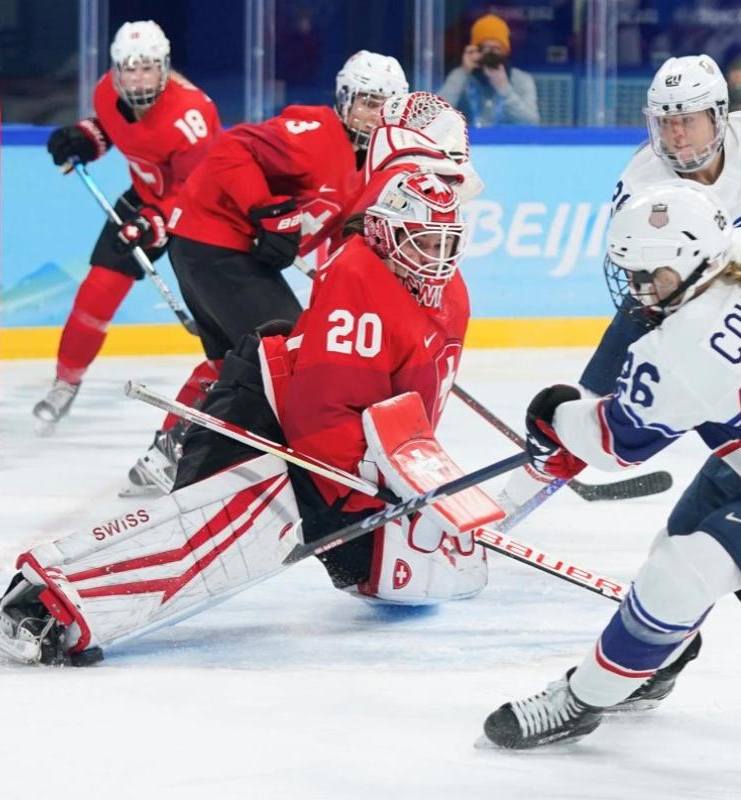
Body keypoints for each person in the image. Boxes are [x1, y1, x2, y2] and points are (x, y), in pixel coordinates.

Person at [0, 170, 503, 665]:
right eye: (423, 241)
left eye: (445, 241)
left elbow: (409, 409)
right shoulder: (360, 279)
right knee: (200, 541)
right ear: (387, 235)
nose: (437, 256)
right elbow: (319, 410)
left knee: (383, 565)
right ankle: (41, 605)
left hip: (328, 449)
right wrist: (359, 492)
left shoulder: (446, 292)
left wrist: (397, 481)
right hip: (262, 422)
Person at [482, 180, 740, 749]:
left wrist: (556, 416)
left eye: (655, 278)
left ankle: (582, 700)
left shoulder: (686, 349)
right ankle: (649, 662)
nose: (641, 290)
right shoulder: (728, 264)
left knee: (681, 573)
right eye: (634, 275)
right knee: (676, 543)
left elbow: (617, 445)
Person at [128, 89, 482, 496]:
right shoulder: (317, 133)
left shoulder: (374, 175)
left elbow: (348, 246)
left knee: (241, 355)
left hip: (225, 250)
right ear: (345, 101)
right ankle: (210, 460)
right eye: (365, 102)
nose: (369, 115)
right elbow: (229, 150)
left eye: (379, 106)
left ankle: (168, 450)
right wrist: (264, 207)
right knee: (285, 354)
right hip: (214, 241)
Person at [499, 54, 741, 520]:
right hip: (672, 298)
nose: (675, 135)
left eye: (686, 121)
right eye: (665, 122)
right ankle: (509, 506)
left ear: (716, 114)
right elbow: (645, 273)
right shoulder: (643, 182)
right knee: (590, 406)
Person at [32, 20, 221, 433]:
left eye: (147, 68)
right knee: (96, 291)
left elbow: (199, 190)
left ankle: (224, 398)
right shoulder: (106, 91)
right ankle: (65, 383)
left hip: (203, 217)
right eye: (128, 69)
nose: (136, 78)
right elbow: (115, 130)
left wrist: (153, 222)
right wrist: (86, 138)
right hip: (145, 200)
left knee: (218, 315)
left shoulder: (193, 116)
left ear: (165, 68)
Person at [437, 13, 539, 127]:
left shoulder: (521, 79)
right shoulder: (460, 76)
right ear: (475, 51)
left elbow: (532, 122)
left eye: (496, 49)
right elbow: (435, 115)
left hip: (507, 142)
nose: (490, 54)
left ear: (505, 51)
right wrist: (464, 72)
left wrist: (504, 88)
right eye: (485, 48)